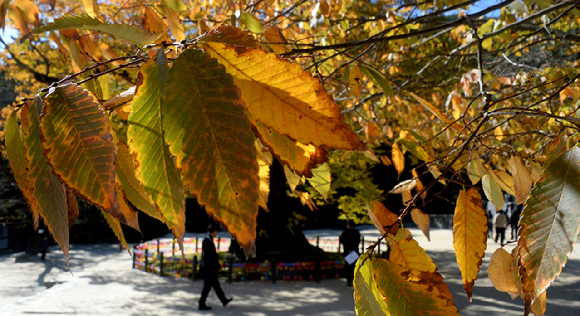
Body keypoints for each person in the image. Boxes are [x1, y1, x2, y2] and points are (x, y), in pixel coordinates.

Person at [198, 224, 233, 311]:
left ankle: (223, 300)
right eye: (215, 231)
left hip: (208, 268)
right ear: (213, 232)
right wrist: (217, 266)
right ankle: (201, 303)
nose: (216, 233)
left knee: (216, 285)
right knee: (207, 287)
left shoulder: (206, 240)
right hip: (209, 269)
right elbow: (212, 257)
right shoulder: (208, 242)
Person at [339, 220, 361, 287]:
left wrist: (349, 249)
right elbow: (357, 242)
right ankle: (355, 280)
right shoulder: (357, 232)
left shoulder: (345, 232)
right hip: (355, 251)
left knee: (348, 267)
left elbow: (342, 241)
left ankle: (349, 281)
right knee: (355, 267)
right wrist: (353, 248)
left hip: (347, 251)